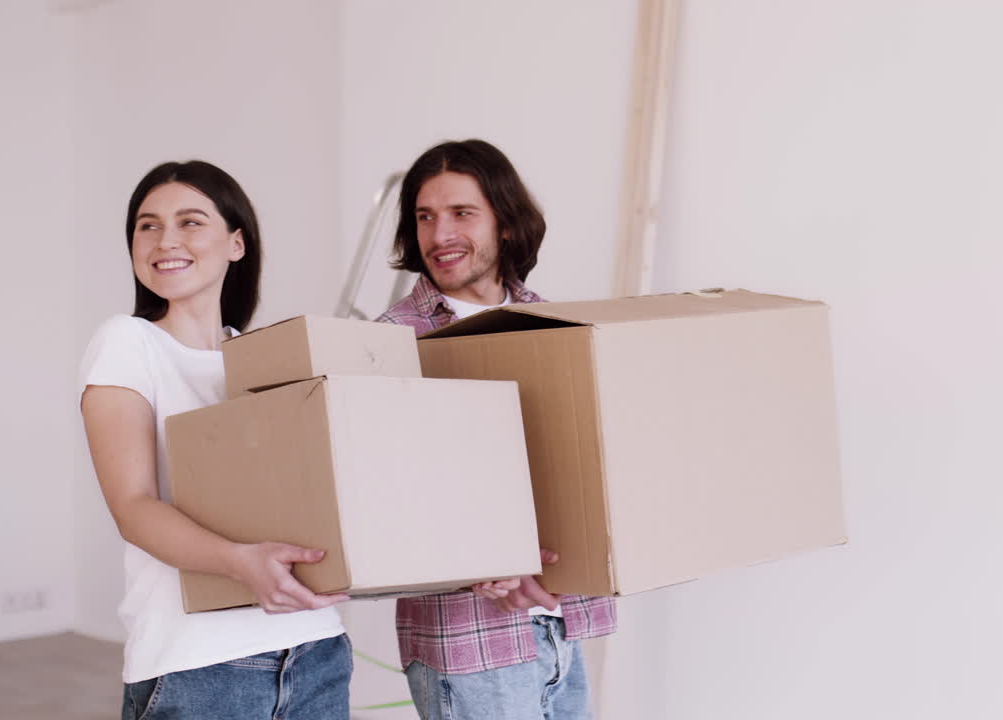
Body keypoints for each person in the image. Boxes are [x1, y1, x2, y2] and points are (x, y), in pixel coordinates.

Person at [79, 160, 352, 719]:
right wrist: (239, 562)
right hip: (202, 663)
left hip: (315, 647)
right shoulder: (127, 343)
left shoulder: (259, 358)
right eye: (147, 225)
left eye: (190, 222)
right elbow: (132, 507)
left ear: (236, 243)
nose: (165, 240)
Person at [377, 140, 617, 719]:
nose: (440, 236)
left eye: (462, 213)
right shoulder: (390, 341)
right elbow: (382, 495)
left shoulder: (553, 323)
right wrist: (473, 558)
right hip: (469, 640)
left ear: (506, 223)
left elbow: (584, 459)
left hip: (559, 623)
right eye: (425, 217)